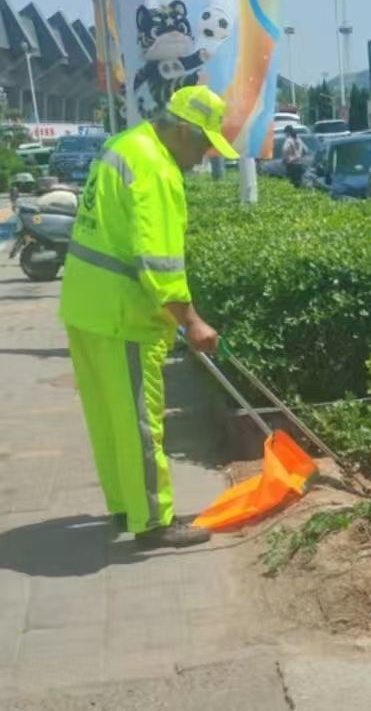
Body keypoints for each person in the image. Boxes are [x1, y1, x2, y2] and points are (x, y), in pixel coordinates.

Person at [59, 85, 237, 549]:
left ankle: (127, 507)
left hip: (85, 306)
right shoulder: (156, 168)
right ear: (182, 129)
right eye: (202, 145)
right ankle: (155, 522)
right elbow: (158, 262)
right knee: (140, 422)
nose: (202, 159)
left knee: (109, 419)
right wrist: (193, 321)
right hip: (122, 316)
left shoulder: (124, 144)